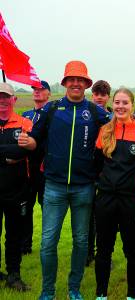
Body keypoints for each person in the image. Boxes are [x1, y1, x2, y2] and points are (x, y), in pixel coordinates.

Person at [18, 60, 109, 300]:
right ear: (66, 82)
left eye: (81, 79)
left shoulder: (94, 110)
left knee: (81, 242)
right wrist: (30, 142)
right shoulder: (52, 109)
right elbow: (36, 138)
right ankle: (48, 291)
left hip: (84, 188)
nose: (76, 83)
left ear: (86, 83)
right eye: (72, 79)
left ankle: (74, 288)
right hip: (55, 187)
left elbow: (117, 123)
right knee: (48, 242)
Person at [94, 88, 135, 300]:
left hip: (131, 199)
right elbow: (97, 164)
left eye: (125, 102)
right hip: (106, 198)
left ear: (132, 105)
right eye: (117, 102)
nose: (120, 106)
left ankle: (132, 294)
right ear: (112, 104)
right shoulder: (105, 130)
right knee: (104, 249)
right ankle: (101, 294)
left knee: (132, 250)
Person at [0, 82, 33, 291]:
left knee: (14, 236)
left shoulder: (24, 123)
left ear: (14, 99)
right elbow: (14, 151)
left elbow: (24, 151)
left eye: (6, 97)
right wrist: (8, 154)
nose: (2, 101)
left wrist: (15, 151)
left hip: (17, 190)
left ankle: (14, 275)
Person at [21, 80, 51, 255]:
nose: (37, 92)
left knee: (47, 208)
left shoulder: (52, 114)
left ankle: (47, 246)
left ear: (48, 93)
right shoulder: (25, 115)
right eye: (34, 89)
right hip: (26, 169)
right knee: (25, 208)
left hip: (45, 168)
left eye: (41, 89)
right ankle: (25, 246)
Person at [86, 79, 112, 267]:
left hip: (105, 172)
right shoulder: (86, 114)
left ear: (107, 97)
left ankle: (103, 254)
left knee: (103, 217)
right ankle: (87, 253)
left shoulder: (112, 117)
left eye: (103, 95)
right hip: (87, 171)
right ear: (92, 95)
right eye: (97, 94)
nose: (99, 98)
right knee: (86, 217)